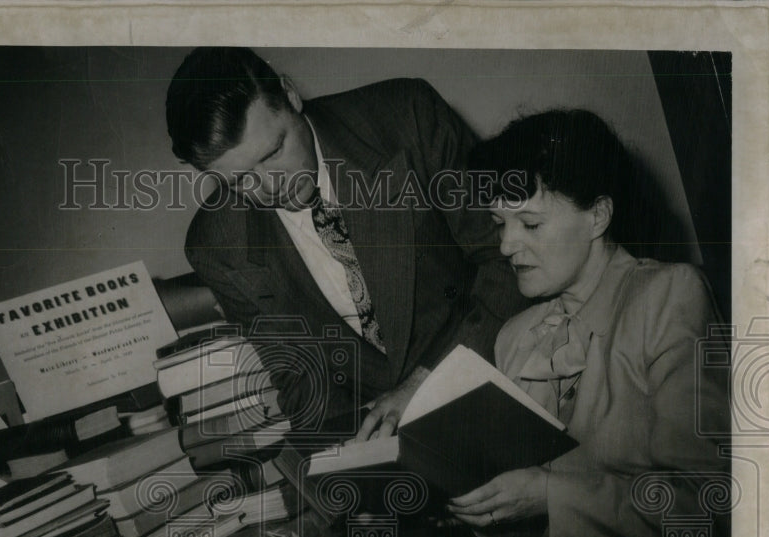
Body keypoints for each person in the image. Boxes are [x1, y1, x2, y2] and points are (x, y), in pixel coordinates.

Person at [442, 109, 731, 537]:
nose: (506, 245)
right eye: (499, 224)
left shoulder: (669, 297)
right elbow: (525, 508)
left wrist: (550, 496)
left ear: (598, 217)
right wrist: (484, 503)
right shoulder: (517, 337)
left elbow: (710, 510)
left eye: (530, 223)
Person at [165, 47, 527, 438]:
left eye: (273, 152)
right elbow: (299, 376)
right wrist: (344, 457)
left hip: (498, 372)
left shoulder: (408, 117)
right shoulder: (215, 245)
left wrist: (429, 382)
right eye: (237, 180)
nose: (270, 186)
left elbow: (505, 259)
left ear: (289, 95)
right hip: (379, 433)